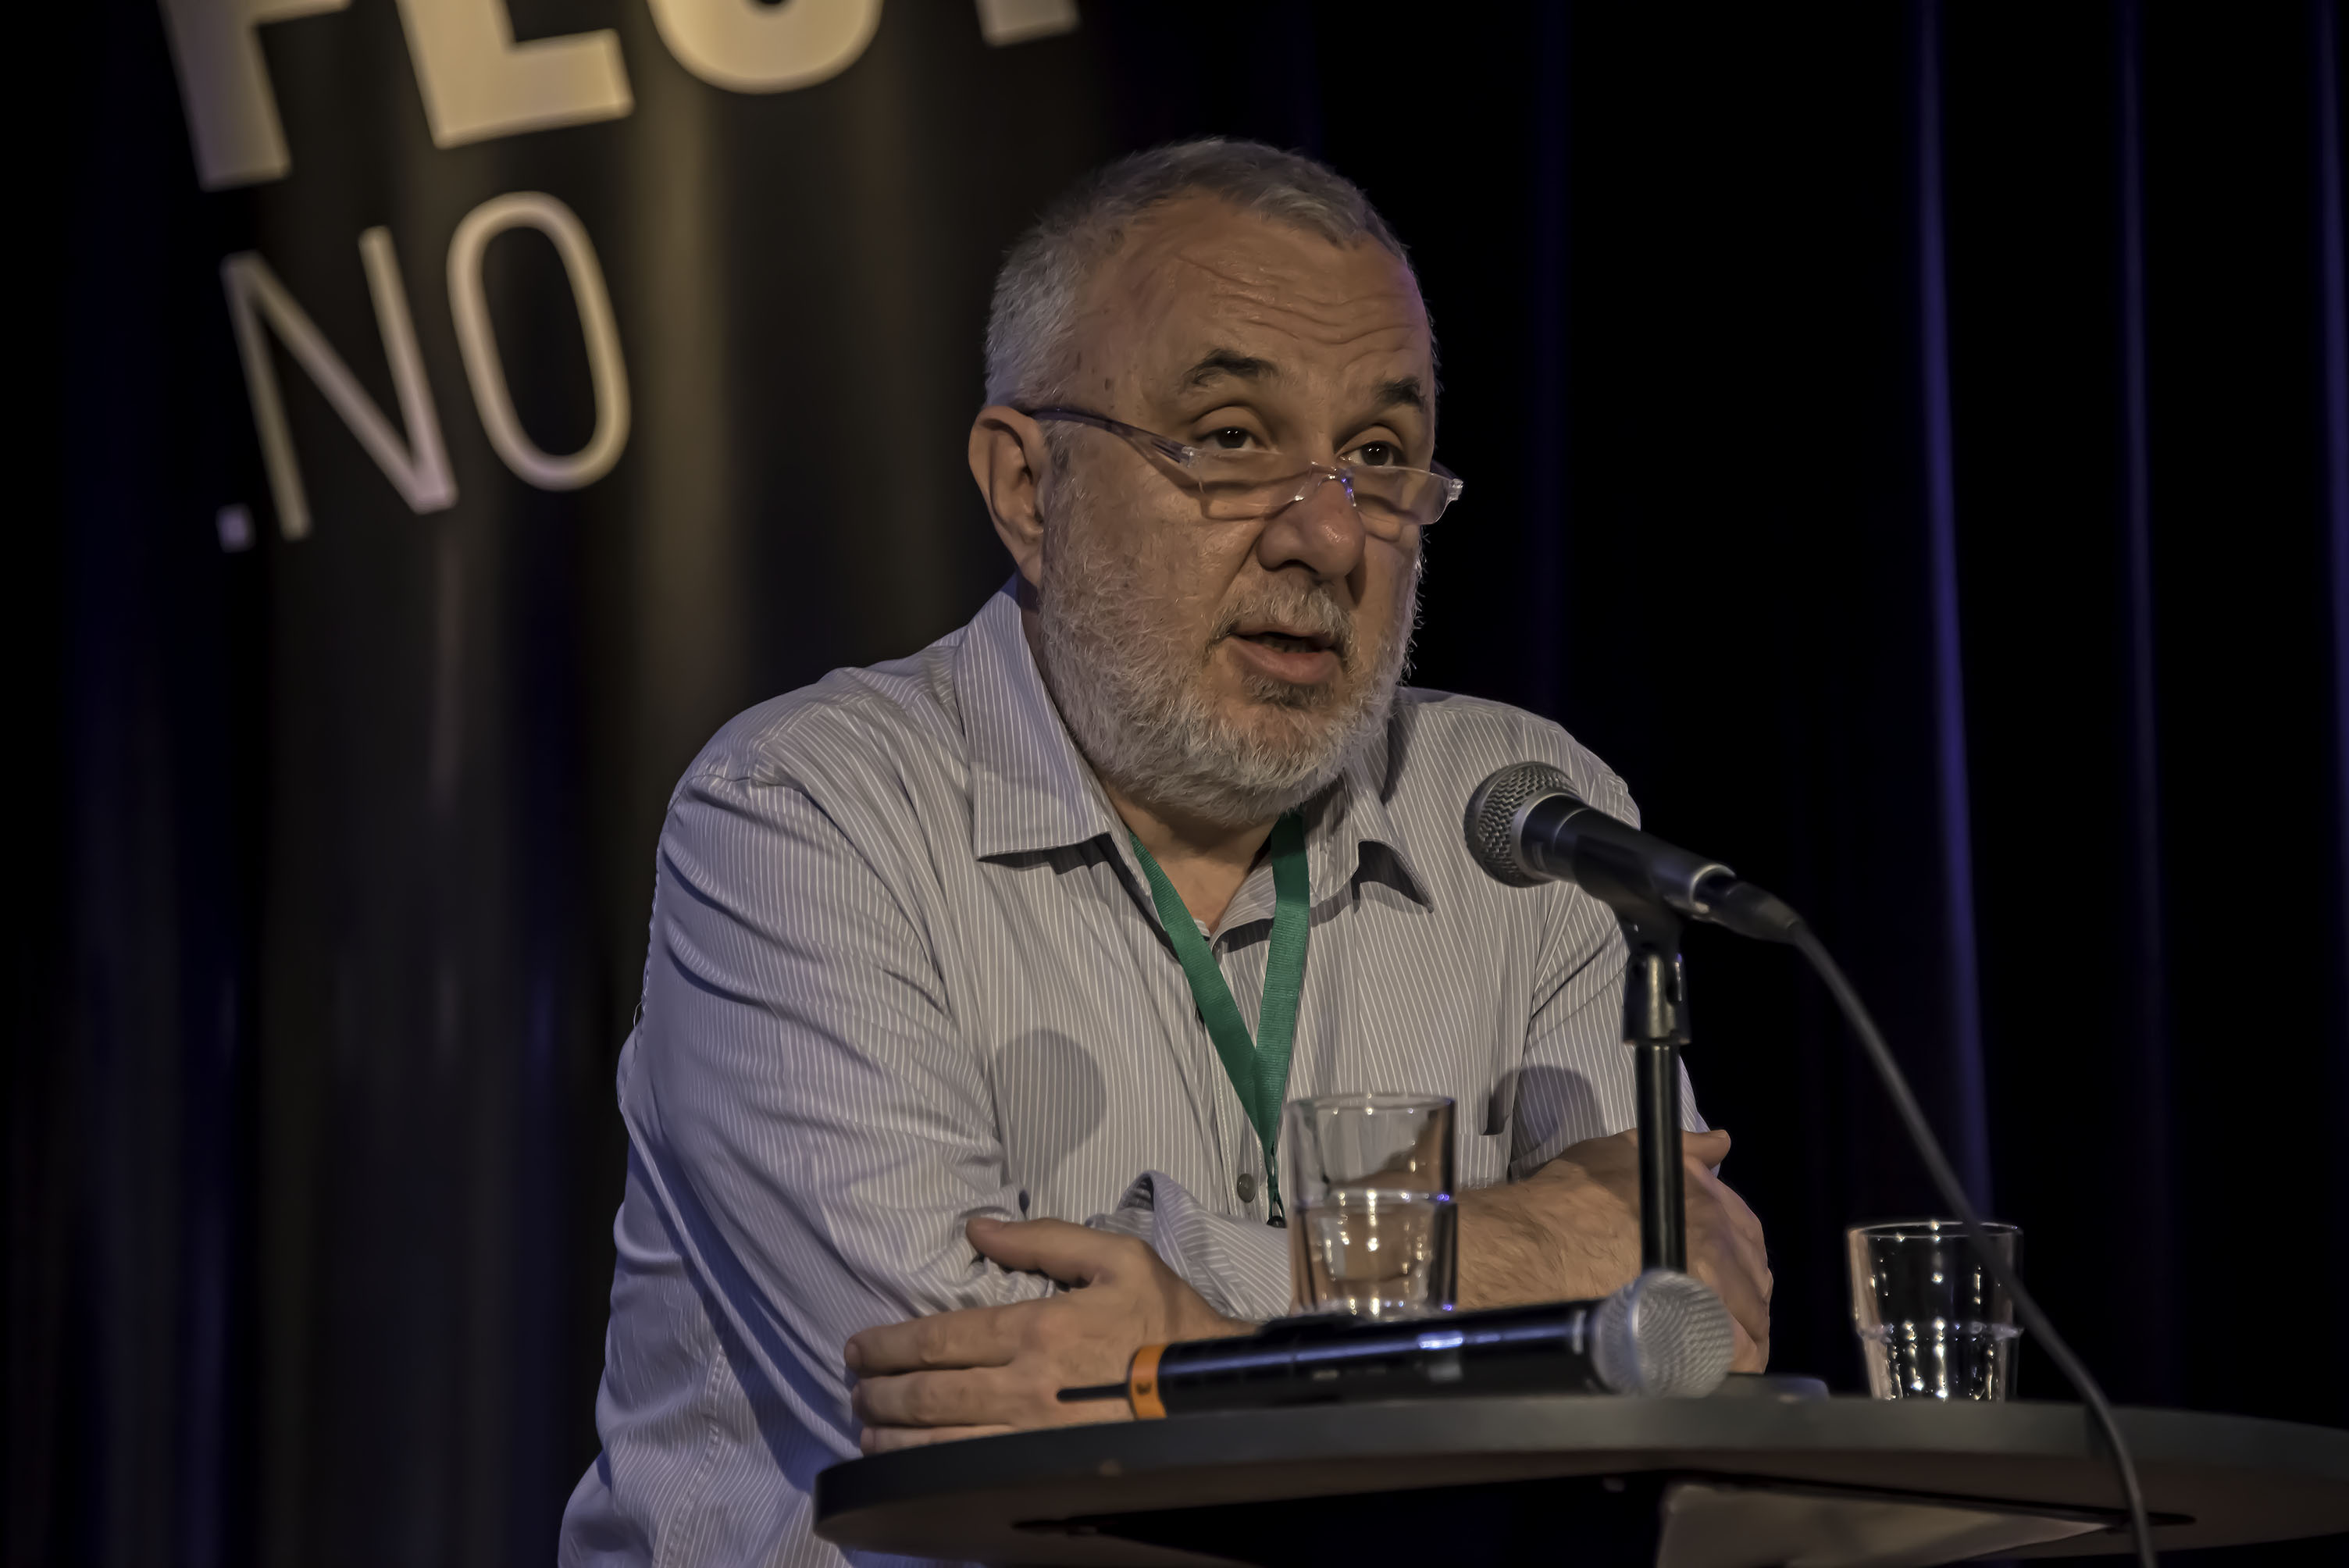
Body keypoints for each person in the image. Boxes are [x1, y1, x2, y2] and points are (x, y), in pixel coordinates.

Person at [561, 138, 1770, 1567]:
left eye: (1381, 457)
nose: (1330, 537)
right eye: (1232, 439)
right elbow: (964, 1401)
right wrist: (1532, 1257)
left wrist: (1189, 1339)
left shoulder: (1522, 813)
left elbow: (1694, 1312)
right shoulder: (806, 814)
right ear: (1029, 488)